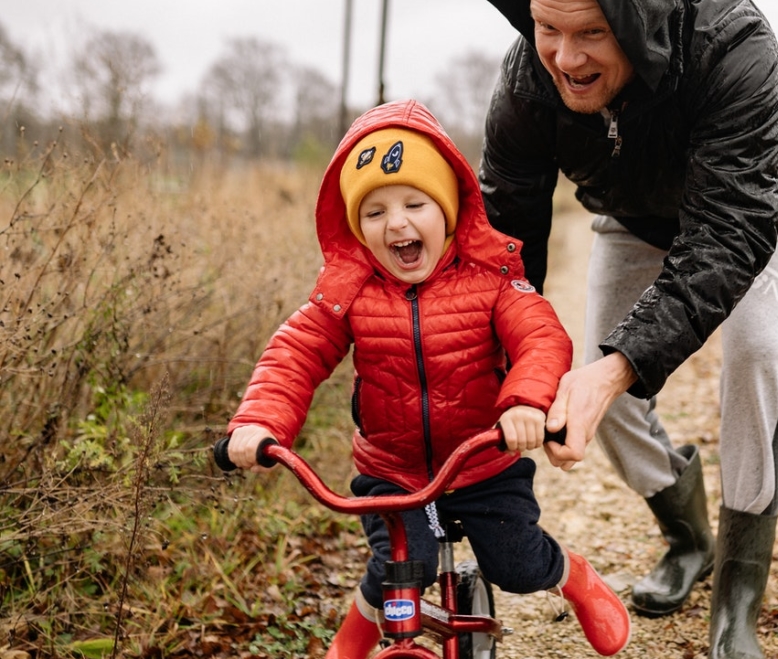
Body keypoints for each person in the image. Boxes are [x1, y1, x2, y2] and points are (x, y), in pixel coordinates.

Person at [224, 100, 630, 658]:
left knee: (516, 563)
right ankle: (353, 641)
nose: (396, 224)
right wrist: (258, 422)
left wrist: (526, 403)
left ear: (448, 210)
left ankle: (573, 576)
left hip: (484, 460)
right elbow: (293, 354)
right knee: (397, 570)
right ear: (355, 227)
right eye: (374, 212)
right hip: (392, 470)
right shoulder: (347, 293)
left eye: (416, 203)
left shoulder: (490, 281)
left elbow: (541, 338)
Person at [479, 1, 778, 657]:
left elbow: (728, 234)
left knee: (756, 350)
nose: (566, 59)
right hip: (633, 215)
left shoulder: (732, 43)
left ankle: (737, 594)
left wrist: (619, 367)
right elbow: (507, 247)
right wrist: (496, 369)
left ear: (634, 23)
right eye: (548, 30)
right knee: (597, 381)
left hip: (756, 205)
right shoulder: (527, 78)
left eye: (591, 34)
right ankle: (690, 537)